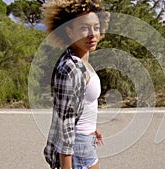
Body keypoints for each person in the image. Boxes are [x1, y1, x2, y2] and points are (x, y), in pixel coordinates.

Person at [42, 0, 110, 169]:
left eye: (95, 27)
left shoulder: (83, 61)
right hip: (77, 148)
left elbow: (83, 103)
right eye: (84, 28)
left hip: (85, 141)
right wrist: (66, 166)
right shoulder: (70, 68)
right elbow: (65, 124)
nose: (92, 34)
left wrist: (92, 127)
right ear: (70, 32)